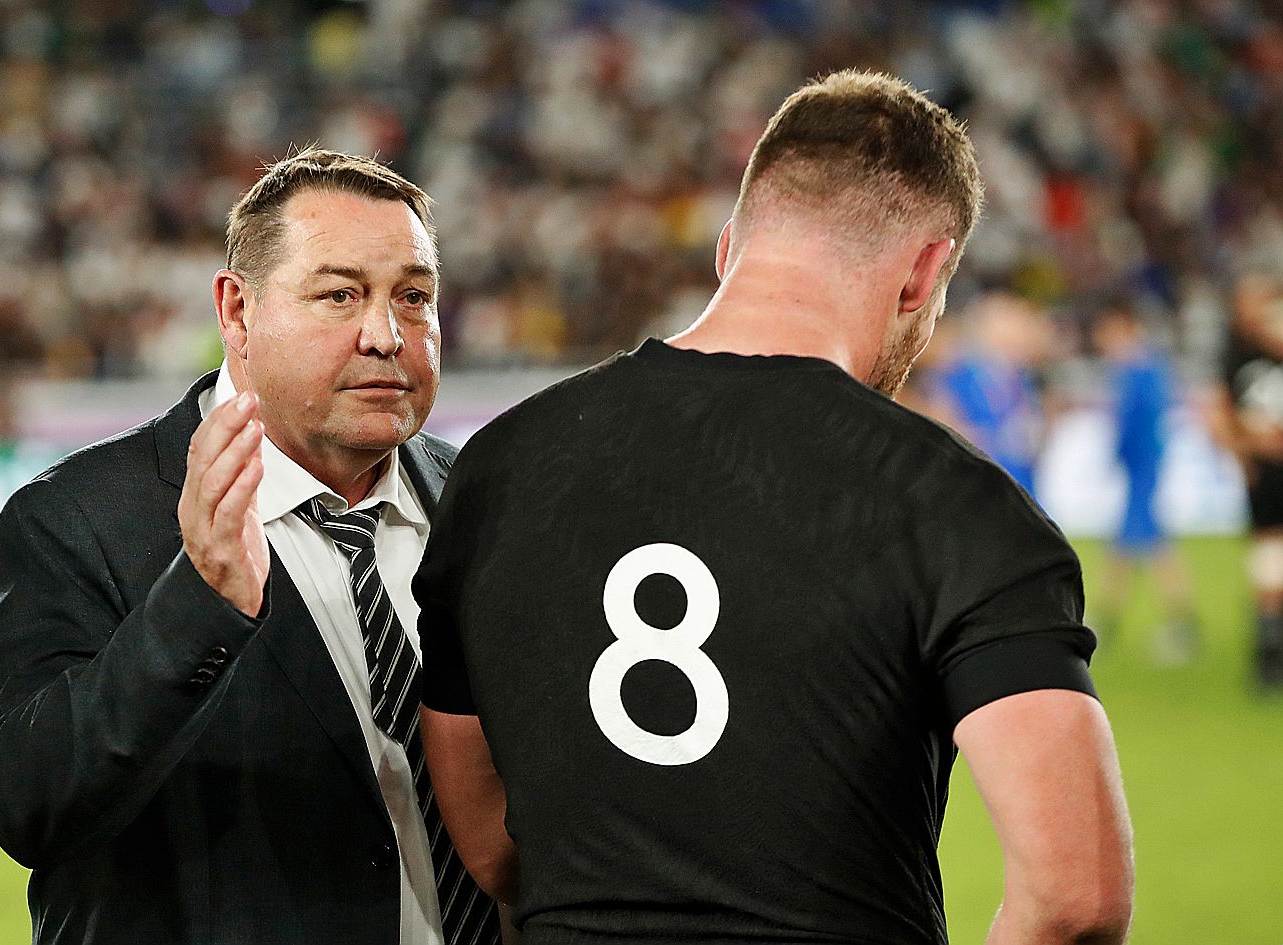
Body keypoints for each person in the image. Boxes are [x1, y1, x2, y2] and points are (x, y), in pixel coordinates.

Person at [414, 71, 1134, 945]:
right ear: (922, 274)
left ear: (728, 250)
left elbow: (491, 841)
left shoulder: (498, 464)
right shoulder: (955, 501)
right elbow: (1075, 896)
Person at [0, 149, 500, 945]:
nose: (386, 335)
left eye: (413, 296)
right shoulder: (77, 516)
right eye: (339, 294)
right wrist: (198, 603)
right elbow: (31, 804)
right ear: (237, 310)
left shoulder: (482, 501)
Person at [1091, 300, 1199, 663]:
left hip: (1142, 470)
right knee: (1141, 545)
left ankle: (1175, 625)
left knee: (1143, 546)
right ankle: (1117, 620)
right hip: (1142, 469)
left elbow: (1138, 427)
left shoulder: (1140, 371)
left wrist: (1120, 457)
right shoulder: (1141, 370)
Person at [1217, 272, 1283, 690]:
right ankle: (1268, 652)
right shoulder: (1237, 358)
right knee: (1269, 562)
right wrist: (1244, 448)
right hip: (1268, 478)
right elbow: (1222, 414)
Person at [929, 290, 1049, 497]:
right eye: (1010, 319)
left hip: (1021, 483)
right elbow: (943, 423)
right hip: (978, 484)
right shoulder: (959, 374)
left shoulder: (1019, 377)